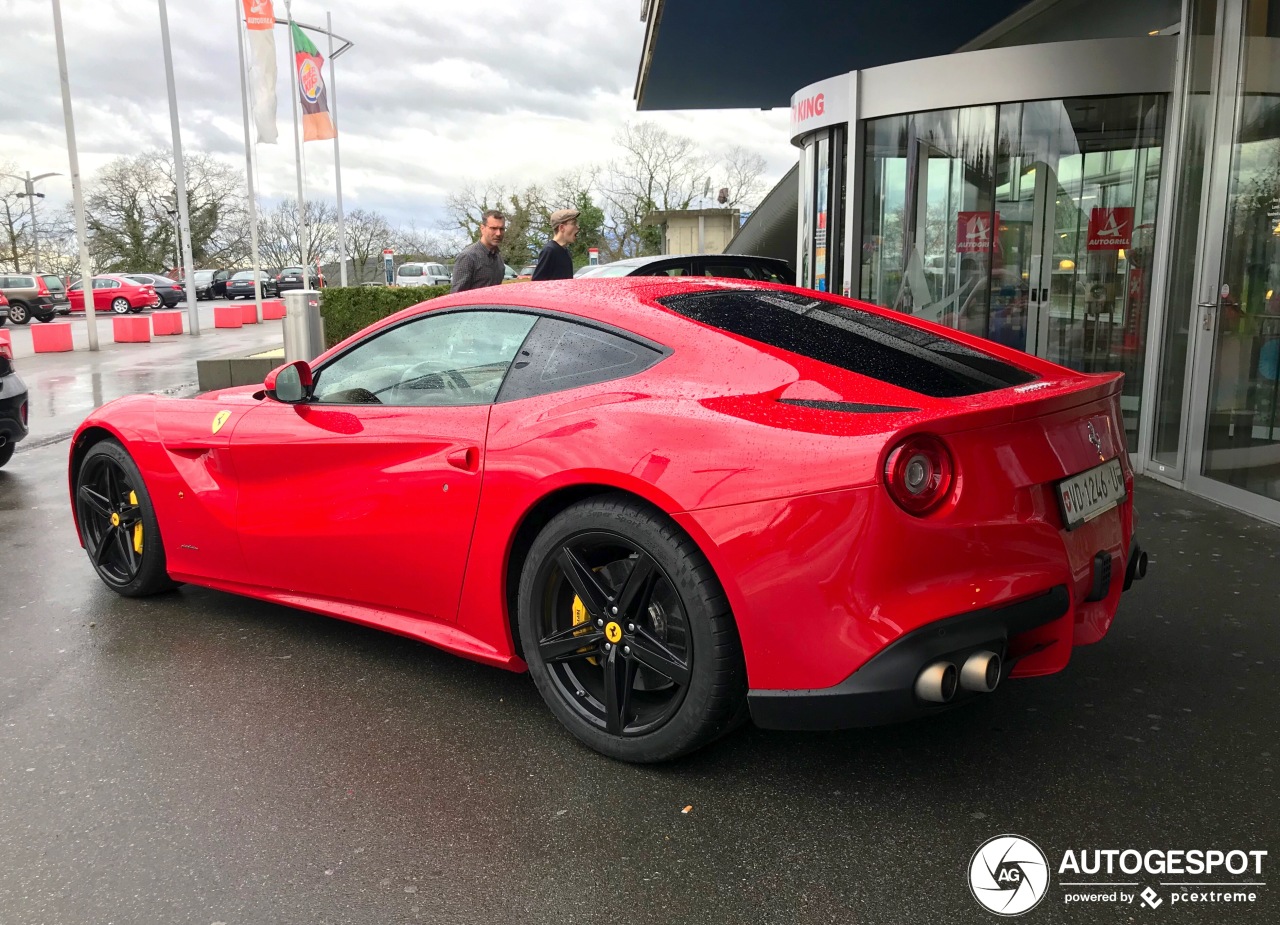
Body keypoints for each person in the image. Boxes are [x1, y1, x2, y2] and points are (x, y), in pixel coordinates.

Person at [450, 210, 507, 293]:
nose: (498, 233)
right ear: (482, 228)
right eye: (493, 228)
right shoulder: (468, 257)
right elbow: (456, 296)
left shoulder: (498, 258)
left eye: (501, 229)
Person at [530, 208, 580, 281]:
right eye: (573, 223)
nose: (578, 227)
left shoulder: (565, 251)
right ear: (562, 228)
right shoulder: (549, 251)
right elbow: (537, 283)